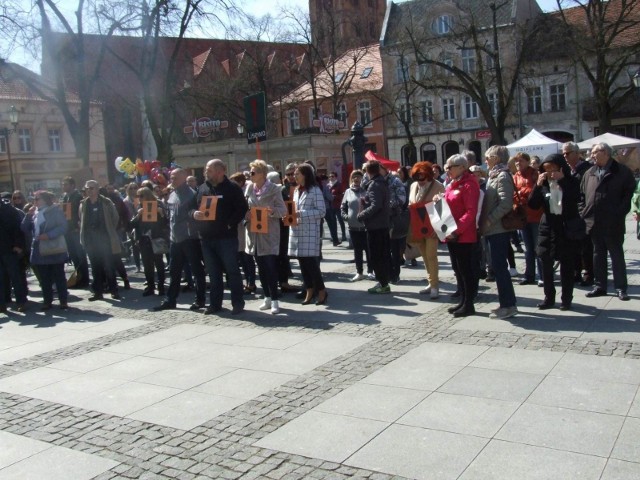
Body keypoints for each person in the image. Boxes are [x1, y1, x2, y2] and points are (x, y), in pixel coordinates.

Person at [580, 142, 636, 301]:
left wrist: (619, 212)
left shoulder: (621, 171)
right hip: (594, 221)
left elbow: (629, 194)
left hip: (613, 221)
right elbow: (582, 196)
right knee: (598, 254)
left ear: (605, 153)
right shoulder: (589, 172)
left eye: (594, 152)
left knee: (616, 255)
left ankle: (620, 288)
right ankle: (600, 286)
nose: (591, 155)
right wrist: (583, 212)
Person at [192, 160, 247, 315]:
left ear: (220, 171)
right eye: (206, 169)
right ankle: (215, 304)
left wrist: (230, 223)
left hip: (226, 238)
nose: (206, 172)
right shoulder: (202, 188)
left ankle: (237, 303)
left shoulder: (233, 188)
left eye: (209, 170)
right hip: (206, 239)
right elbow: (192, 208)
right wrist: (194, 214)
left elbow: (242, 208)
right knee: (213, 273)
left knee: (232, 271)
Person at [528, 154, 583, 310]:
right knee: (545, 262)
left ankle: (566, 299)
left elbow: (575, 198)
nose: (550, 172)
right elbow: (532, 205)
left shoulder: (571, 181)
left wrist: (563, 181)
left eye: (553, 168)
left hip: (566, 226)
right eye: (546, 169)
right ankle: (548, 297)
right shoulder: (544, 183)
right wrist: (537, 186)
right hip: (548, 226)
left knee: (567, 264)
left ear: (560, 168)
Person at [154, 169, 207, 311]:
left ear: (183, 178)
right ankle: (170, 300)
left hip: (190, 238)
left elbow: (195, 214)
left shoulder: (192, 194)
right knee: (174, 271)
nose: (172, 180)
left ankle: (200, 299)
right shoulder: (172, 194)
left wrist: (193, 219)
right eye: (171, 177)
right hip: (175, 239)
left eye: (175, 177)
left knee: (197, 270)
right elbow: (171, 215)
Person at [479, 145, 518, 319]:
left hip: (498, 229)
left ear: (496, 158)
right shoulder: (494, 175)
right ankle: (506, 303)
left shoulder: (502, 176)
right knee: (497, 267)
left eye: (488, 158)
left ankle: (508, 305)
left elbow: (505, 204)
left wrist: (488, 220)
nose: (485, 161)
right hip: (492, 230)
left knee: (500, 268)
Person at [244, 161, 287, 314]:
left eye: (253, 172)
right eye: (250, 171)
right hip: (254, 233)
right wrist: (246, 214)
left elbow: (283, 210)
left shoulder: (275, 189)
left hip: (268, 233)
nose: (250, 174)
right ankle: (267, 297)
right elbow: (245, 207)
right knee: (260, 268)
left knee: (270, 267)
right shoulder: (249, 188)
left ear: (262, 173)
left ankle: (275, 299)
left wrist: (271, 211)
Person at [440, 155, 480, 317]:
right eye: (446, 168)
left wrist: (457, 230)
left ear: (462, 167)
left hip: (463, 235)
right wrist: (440, 200)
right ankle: (463, 301)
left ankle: (469, 304)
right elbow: (450, 203)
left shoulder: (469, 184)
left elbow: (471, 212)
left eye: (450, 167)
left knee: (465, 270)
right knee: (457, 268)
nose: (447, 170)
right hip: (451, 233)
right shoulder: (452, 184)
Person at [21, 190, 69, 310]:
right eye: (33, 199)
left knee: (59, 276)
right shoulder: (34, 212)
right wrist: (28, 215)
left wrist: (49, 235)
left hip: (54, 248)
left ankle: (63, 301)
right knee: (44, 278)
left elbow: (63, 227)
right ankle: (47, 301)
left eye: (37, 199)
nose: (34, 202)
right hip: (40, 250)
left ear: (45, 200)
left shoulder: (55, 211)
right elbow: (24, 228)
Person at [288, 163, 328, 305]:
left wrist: (301, 214)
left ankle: (321, 290)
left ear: (305, 175)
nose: (294, 176)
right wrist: (289, 217)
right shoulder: (297, 190)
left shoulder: (315, 190)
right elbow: (293, 209)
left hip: (310, 232)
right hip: (298, 232)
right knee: (303, 265)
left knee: (312, 265)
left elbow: (321, 211)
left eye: (297, 173)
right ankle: (309, 290)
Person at [407, 161, 445, 299]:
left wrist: (440, 229)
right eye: (417, 177)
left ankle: (435, 286)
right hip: (418, 225)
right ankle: (430, 282)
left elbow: (443, 209)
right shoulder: (413, 185)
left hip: (432, 225)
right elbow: (411, 203)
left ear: (429, 175)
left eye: (423, 177)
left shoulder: (438, 186)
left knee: (431, 255)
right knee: (424, 255)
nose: (420, 181)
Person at [79, 180, 122, 301]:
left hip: (105, 240)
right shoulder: (83, 203)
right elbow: (80, 218)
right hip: (90, 241)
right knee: (95, 267)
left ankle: (114, 290)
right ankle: (98, 292)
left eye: (92, 188)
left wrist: (109, 230)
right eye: (87, 188)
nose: (89, 190)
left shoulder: (106, 202)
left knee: (109, 266)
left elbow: (115, 218)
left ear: (97, 189)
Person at [358, 160, 391, 294]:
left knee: (376, 256)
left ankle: (383, 283)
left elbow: (376, 205)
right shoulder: (382, 182)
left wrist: (362, 215)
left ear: (367, 171)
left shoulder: (374, 185)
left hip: (375, 226)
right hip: (382, 224)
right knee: (381, 255)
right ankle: (383, 282)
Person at [563, 141, 593, 286]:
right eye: (563, 154)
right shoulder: (567, 170)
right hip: (571, 213)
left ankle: (588, 273)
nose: (565, 156)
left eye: (567, 153)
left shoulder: (587, 169)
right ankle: (576, 272)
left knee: (586, 246)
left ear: (577, 153)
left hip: (584, 213)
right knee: (573, 245)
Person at [130, 187, 167, 296]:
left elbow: (166, 222)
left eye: (141, 196)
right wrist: (138, 215)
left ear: (147, 195)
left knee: (159, 264)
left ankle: (161, 287)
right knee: (147, 265)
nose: (139, 198)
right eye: (138, 196)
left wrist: (161, 213)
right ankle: (150, 287)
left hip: (156, 238)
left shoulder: (158, 204)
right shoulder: (139, 207)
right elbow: (131, 224)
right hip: (144, 239)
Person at [513, 152, 543, 286]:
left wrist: (521, 192)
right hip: (523, 215)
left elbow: (535, 190)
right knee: (528, 248)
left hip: (536, 214)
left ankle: (542, 275)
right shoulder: (516, 176)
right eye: (516, 162)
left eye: (521, 161)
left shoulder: (534, 173)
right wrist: (519, 194)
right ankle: (529, 275)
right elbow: (513, 193)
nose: (518, 164)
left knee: (538, 247)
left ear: (527, 161)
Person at [341, 169, 373, 282]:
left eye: (359, 177)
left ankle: (370, 271)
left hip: (366, 227)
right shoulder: (348, 192)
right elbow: (343, 208)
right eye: (354, 177)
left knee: (369, 250)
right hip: (353, 227)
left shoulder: (367, 191)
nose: (356, 179)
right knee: (357, 251)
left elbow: (371, 206)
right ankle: (359, 272)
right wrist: (347, 217)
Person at [229, 172, 256, 294]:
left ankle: (251, 282)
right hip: (237, 230)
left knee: (247, 257)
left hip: (245, 228)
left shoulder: (248, 191)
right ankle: (247, 281)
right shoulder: (234, 193)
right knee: (242, 257)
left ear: (240, 182)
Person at [0, 195, 27, 312]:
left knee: (15, 276)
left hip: (9, 248)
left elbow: (17, 228)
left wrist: (18, 244)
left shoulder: (8, 210)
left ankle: (21, 301)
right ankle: (2, 304)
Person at [61, 176, 89, 288]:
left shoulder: (77, 197)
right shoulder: (65, 197)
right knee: (73, 255)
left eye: (66, 184)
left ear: (72, 185)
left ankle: (84, 279)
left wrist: (79, 226)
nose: (64, 186)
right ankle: (79, 277)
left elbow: (81, 213)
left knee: (80, 255)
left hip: (76, 230)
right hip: (68, 230)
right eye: (63, 184)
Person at [383, 164, 408, 285]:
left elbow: (402, 199)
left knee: (394, 248)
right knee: (384, 249)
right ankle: (386, 273)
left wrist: (385, 205)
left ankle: (395, 274)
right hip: (379, 220)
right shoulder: (373, 181)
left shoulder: (395, 181)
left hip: (393, 219)